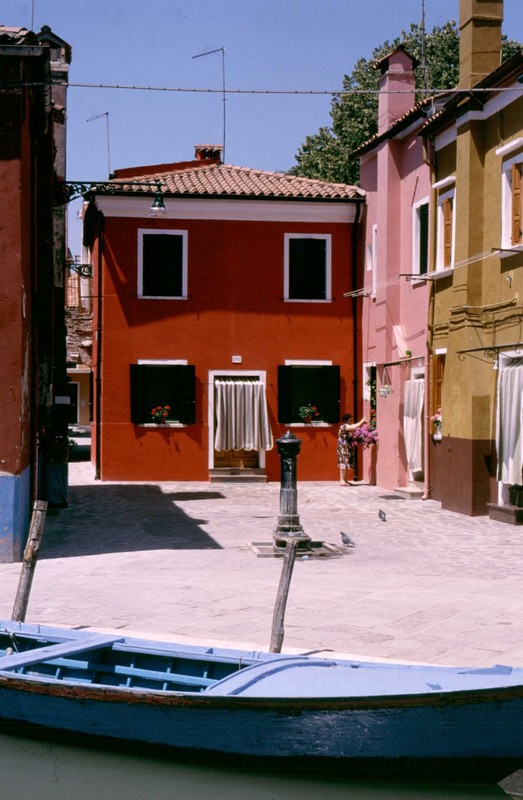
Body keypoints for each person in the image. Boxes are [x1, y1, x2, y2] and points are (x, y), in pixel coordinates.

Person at [337, 413, 367, 484]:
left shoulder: (347, 426)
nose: (351, 421)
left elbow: (353, 425)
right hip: (343, 447)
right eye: (350, 420)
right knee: (343, 462)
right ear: (345, 420)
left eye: (351, 420)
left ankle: (345, 480)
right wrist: (362, 421)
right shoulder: (344, 426)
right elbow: (353, 427)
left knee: (346, 462)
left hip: (346, 447)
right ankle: (342, 480)